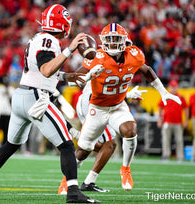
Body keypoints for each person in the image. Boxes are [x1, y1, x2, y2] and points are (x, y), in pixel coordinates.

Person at [0, 4, 100, 203]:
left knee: (11, 144)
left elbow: (43, 71)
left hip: (22, 95)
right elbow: (46, 70)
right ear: (62, 24)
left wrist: (69, 75)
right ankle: (73, 192)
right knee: (66, 145)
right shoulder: (50, 40)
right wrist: (70, 49)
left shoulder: (39, 38)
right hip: (36, 97)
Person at [73, 23, 181, 191]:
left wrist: (162, 91)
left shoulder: (134, 54)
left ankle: (125, 169)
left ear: (125, 41)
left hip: (117, 105)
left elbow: (146, 70)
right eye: (109, 40)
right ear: (102, 41)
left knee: (129, 130)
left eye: (117, 39)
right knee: (85, 148)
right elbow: (77, 78)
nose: (113, 43)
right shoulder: (97, 57)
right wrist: (88, 76)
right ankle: (68, 178)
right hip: (97, 108)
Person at [157, 80, 189, 162]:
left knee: (179, 140)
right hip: (167, 121)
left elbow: (186, 108)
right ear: (169, 87)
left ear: (177, 87)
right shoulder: (166, 96)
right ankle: (165, 155)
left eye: (175, 87)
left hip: (178, 122)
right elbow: (160, 107)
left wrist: (186, 121)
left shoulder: (181, 97)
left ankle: (180, 157)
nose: (174, 88)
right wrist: (160, 119)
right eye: (172, 87)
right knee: (165, 140)